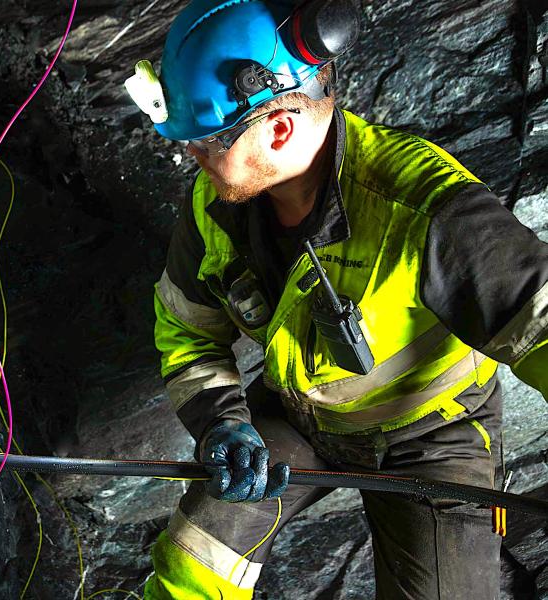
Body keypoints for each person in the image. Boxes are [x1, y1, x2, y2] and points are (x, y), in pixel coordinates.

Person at [123, 0, 548, 598]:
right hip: (297, 420)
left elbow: (544, 320)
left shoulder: (424, 209)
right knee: (196, 562)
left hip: (433, 437)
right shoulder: (213, 207)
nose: (190, 156)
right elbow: (187, 328)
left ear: (277, 129)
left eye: (206, 142)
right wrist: (222, 424)